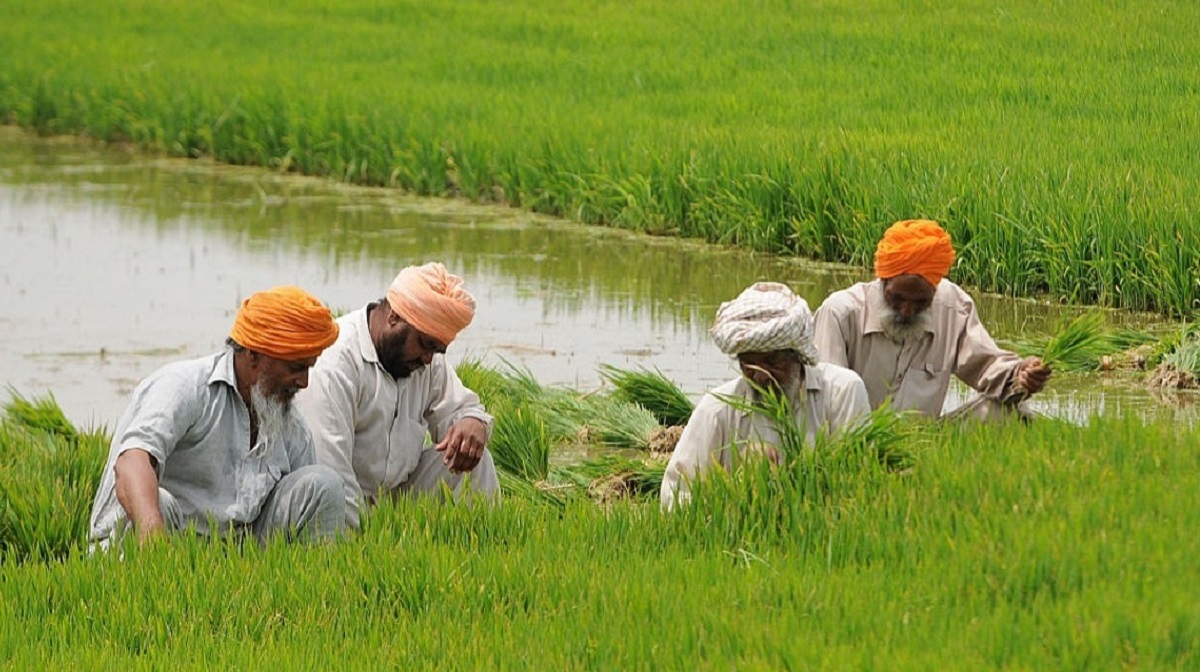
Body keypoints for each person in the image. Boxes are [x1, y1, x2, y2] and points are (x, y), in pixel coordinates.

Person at [88, 286, 347, 548]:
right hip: (160, 541)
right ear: (254, 354)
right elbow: (131, 463)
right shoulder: (185, 387)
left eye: (308, 369)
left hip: (232, 553)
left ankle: (315, 571)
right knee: (158, 501)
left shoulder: (291, 425)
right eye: (296, 368)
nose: (304, 382)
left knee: (323, 485)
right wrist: (154, 541)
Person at [295, 262, 499, 530]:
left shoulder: (424, 362)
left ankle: (488, 540)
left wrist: (472, 422)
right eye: (425, 345)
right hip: (338, 502)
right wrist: (370, 543)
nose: (428, 359)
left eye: (437, 351)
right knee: (331, 486)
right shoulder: (336, 363)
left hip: (395, 497)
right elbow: (332, 471)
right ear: (394, 317)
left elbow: (460, 409)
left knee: (475, 460)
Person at [660, 282, 871, 510]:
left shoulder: (842, 392)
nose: (760, 377)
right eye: (748, 365)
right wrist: (735, 488)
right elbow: (674, 495)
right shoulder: (716, 410)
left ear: (797, 355)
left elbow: (859, 485)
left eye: (772, 362)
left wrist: (796, 479)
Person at [813, 219, 1052, 420]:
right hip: (854, 439)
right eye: (897, 298)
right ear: (882, 282)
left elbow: (986, 366)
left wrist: (1021, 374)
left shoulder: (953, 307)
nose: (907, 311)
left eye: (920, 302)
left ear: (935, 291)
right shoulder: (840, 313)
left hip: (927, 440)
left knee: (1014, 411)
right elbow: (825, 399)